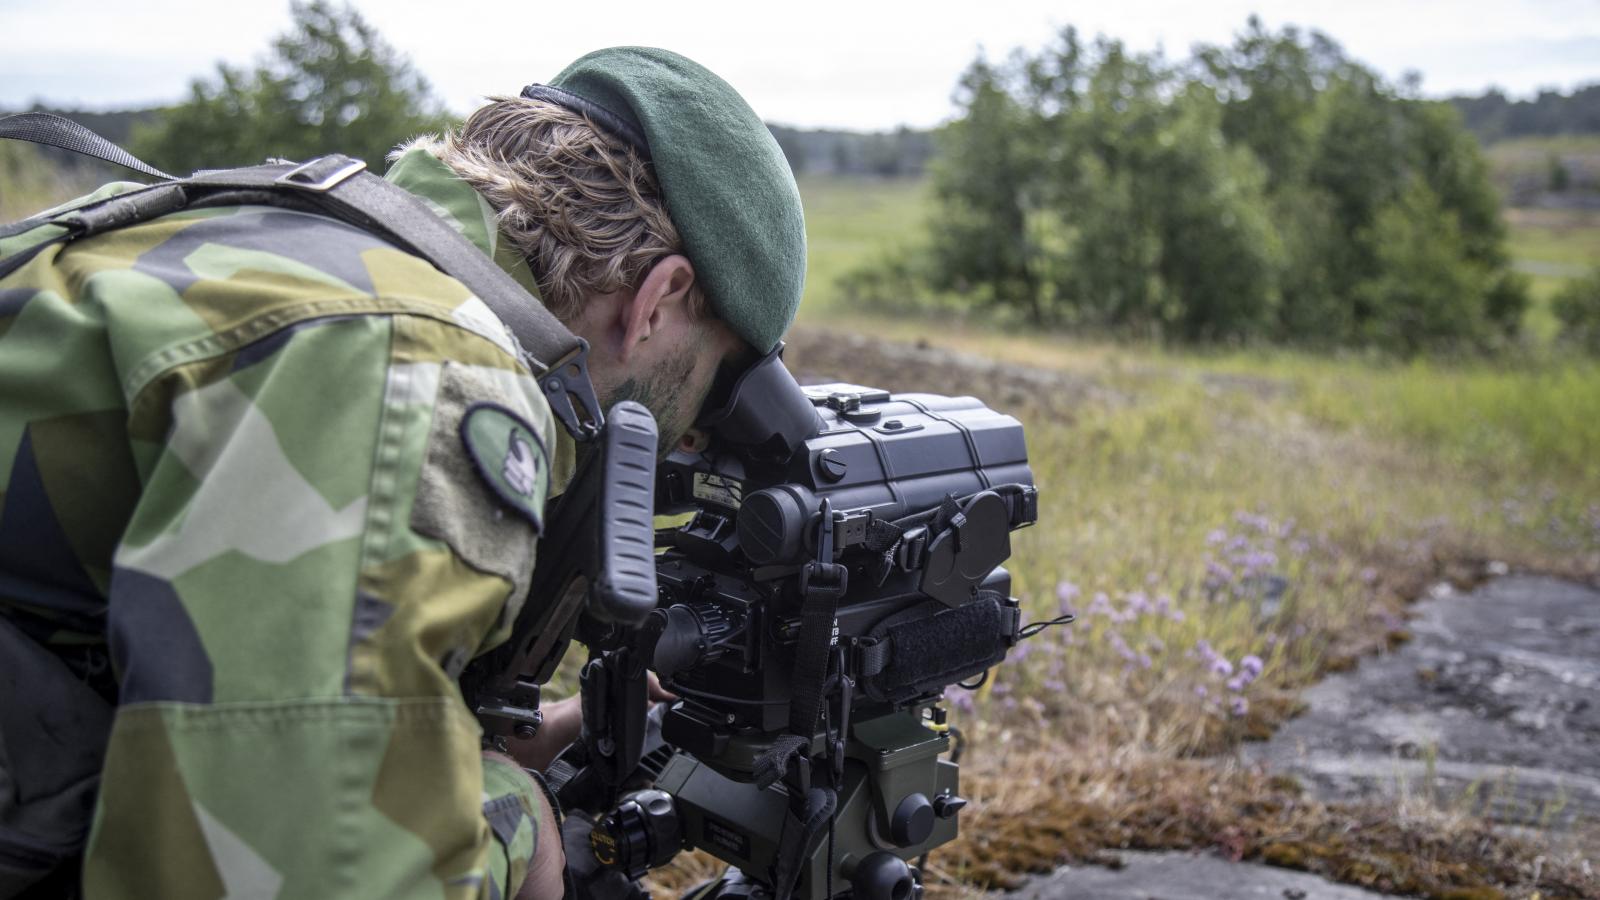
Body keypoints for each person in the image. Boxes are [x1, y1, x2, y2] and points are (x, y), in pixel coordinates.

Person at [0, 46, 804, 899]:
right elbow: (286, 874)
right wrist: (510, 820)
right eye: (711, 389)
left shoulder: (240, 224)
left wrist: (436, 756)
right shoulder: (422, 372)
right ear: (658, 300)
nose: (688, 441)